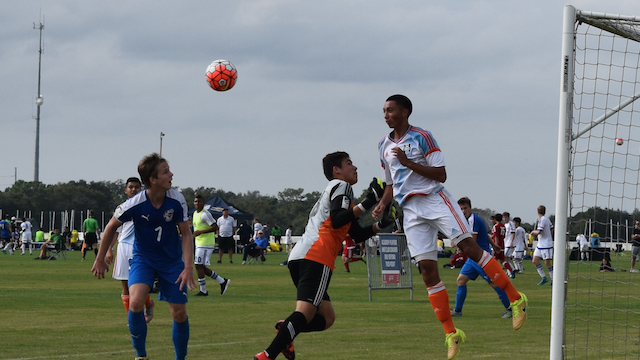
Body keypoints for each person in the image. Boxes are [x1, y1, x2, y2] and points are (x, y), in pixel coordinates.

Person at [372, 94, 527, 359]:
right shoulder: (382, 145)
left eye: (390, 110)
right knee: (427, 272)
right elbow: (390, 184)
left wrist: (409, 163)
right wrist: (383, 205)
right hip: (410, 211)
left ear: (406, 112)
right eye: (384, 111)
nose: (385, 115)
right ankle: (451, 334)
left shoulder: (422, 136)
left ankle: (516, 299)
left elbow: (441, 173)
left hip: (435, 200)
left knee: (469, 247)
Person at [253, 151, 395, 360]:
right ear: (336, 170)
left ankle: (287, 330)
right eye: (349, 163)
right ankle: (267, 355)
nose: (355, 167)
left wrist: (381, 224)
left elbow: (355, 234)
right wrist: (369, 201)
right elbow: (338, 220)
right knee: (304, 313)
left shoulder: (337, 193)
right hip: (316, 256)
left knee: (327, 317)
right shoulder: (342, 186)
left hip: (302, 257)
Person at [91, 153, 196, 360]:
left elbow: (185, 233)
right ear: (152, 180)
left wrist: (187, 267)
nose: (171, 174)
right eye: (166, 171)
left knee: (179, 313)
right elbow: (111, 226)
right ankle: (140, 355)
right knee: (136, 302)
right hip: (143, 259)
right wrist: (100, 258)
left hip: (171, 261)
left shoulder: (177, 200)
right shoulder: (135, 204)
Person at [102, 177, 155, 321]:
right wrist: (109, 249)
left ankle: (148, 303)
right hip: (123, 247)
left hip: (140, 249)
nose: (133, 189)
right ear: (126, 190)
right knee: (125, 284)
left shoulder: (148, 206)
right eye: (130, 187)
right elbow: (115, 230)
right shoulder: (122, 208)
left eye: (136, 187)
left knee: (138, 284)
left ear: (141, 189)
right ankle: (133, 318)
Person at [451, 198, 513, 319]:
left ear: (470, 208)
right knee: (461, 280)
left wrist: (458, 244)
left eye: (465, 208)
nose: (463, 211)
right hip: (472, 258)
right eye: (461, 209)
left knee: (493, 283)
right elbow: (484, 234)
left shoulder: (472, 220)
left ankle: (510, 309)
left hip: (480, 257)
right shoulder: (467, 220)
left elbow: (471, 241)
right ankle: (458, 310)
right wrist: (494, 245)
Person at [192, 195, 230, 296]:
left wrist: (201, 232)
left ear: (203, 203)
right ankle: (222, 281)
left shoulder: (205, 214)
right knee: (200, 267)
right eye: (196, 201)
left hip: (206, 243)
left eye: (199, 202)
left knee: (198, 265)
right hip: (199, 243)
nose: (197, 203)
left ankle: (203, 291)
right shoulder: (195, 213)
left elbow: (214, 226)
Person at [531, 205, 554, 285]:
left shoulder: (543, 220)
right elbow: (552, 228)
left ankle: (553, 279)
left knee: (547, 262)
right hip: (540, 244)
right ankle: (544, 277)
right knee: (535, 260)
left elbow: (539, 231)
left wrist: (533, 232)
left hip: (546, 245)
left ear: (538, 212)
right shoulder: (546, 219)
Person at [491, 213, 515, 279]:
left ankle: (495, 273)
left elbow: (496, 236)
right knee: (502, 260)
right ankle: (511, 270)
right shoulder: (503, 226)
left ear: (495, 219)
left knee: (493, 260)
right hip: (502, 245)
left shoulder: (496, 226)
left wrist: (495, 245)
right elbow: (503, 236)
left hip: (497, 246)